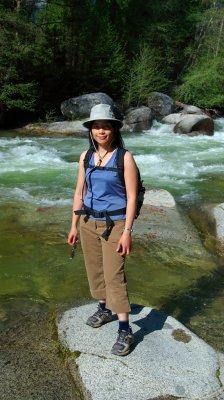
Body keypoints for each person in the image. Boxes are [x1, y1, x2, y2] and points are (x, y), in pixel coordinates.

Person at [67, 103, 138, 356]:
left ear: (114, 130)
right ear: (91, 130)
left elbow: (131, 197)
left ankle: (124, 329)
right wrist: (74, 224)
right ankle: (104, 308)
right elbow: (80, 191)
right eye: (97, 126)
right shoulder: (85, 157)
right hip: (88, 221)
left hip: (115, 224)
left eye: (106, 126)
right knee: (95, 270)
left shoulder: (125, 157)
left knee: (114, 275)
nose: (101, 131)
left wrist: (128, 231)